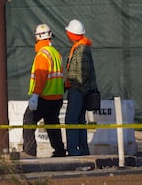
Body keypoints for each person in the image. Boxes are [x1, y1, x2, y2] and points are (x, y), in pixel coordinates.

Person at [22, 23, 67, 158]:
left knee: (29, 119)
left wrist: (35, 95)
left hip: (44, 97)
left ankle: (29, 152)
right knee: (52, 123)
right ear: (50, 37)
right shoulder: (56, 54)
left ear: (37, 38)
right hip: (57, 97)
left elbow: (41, 77)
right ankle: (59, 151)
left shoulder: (42, 55)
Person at [64, 18, 98, 156]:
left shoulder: (81, 49)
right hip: (80, 91)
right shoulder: (81, 47)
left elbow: (82, 74)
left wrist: (73, 86)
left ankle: (73, 150)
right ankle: (82, 150)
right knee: (79, 120)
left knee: (72, 120)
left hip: (78, 91)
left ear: (72, 34)